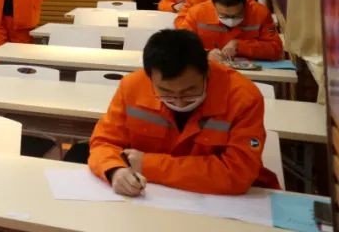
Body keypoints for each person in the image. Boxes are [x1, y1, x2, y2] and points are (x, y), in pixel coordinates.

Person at [88, 28, 279, 196]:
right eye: (166, 92)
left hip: (227, 202)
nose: (179, 101)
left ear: (207, 72)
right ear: (149, 77)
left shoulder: (243, 98)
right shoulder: (132, 86)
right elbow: (103, 142)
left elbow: (237, 174)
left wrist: (148, 165)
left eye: (190, 91)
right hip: (153, 195)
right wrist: (114, 170)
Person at [176, 0, 282, 61]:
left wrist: (240, 45)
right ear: (213, 5)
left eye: (237, 15)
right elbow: (180, 46)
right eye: (224, 15)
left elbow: (275, 49)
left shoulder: (260, 13)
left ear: (246, 5)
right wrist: (205, 54)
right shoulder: (197, 13)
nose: (231, 20)